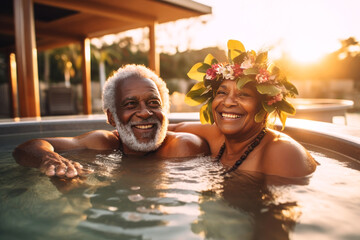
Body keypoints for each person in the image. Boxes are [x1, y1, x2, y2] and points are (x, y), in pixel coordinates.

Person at [13, 64, 209, 178]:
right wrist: (48, 159)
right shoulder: (103, 143)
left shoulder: (183, 148)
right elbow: (27, 148)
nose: (144, 112)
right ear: (111, 118)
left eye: (153, 103)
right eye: (131, 104)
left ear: (165, 110)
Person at [169, 40, 317, 178]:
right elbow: (174, 128)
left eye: (243, 95)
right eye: (222, 92)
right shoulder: (216, 136)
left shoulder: (282, 153)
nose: (228, 102)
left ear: (266, 106)